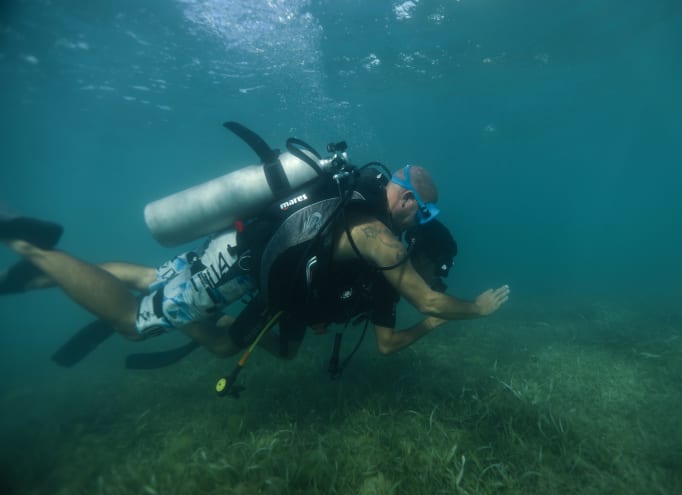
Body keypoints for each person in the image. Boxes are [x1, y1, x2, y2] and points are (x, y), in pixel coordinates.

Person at [1, 165, 509, 358]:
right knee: (134, 322)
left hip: (236, 245)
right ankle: (33, 247)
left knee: (157, 277)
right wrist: (476, 310)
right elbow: (425, 297)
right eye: (416, 211)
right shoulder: (383, 239)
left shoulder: (354, 195)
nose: (412, 219)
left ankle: (40, 275)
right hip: (239, 267)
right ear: (408, 207)